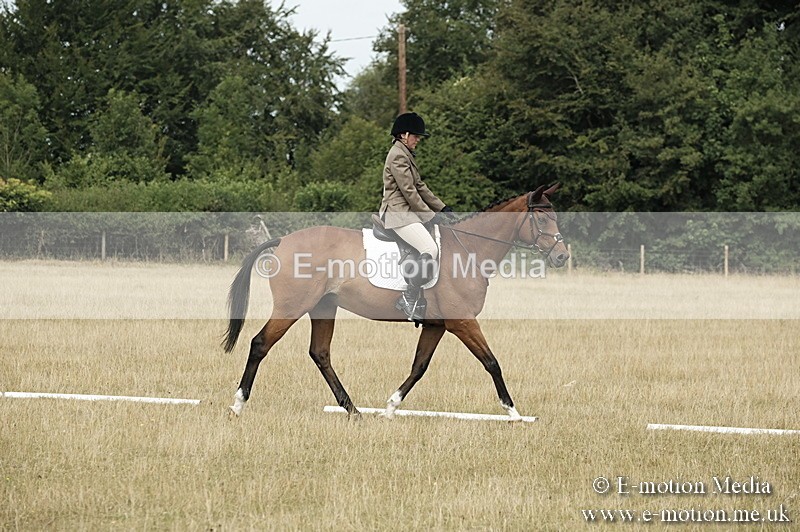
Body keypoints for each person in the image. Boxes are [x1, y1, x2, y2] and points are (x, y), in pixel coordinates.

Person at [379, 112, 455, 322]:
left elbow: (420, 186)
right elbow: (408, 191)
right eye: (416, 136)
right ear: (404, 134)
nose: (418, 140)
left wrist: (442, 208)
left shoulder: (405, 154)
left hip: (407, 211)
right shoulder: (397, 155)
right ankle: (408, 297)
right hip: (397, 213)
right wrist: (428, 216)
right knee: (429, 248)